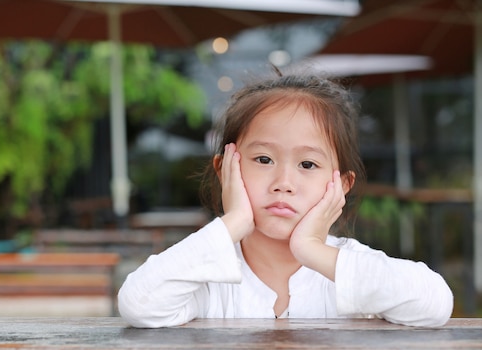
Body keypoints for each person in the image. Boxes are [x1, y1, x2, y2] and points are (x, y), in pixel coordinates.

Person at [118, 70, 453, 328]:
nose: (283, 183)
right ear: (225, 169)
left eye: (308, 164)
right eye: (263, 160)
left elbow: (434, 303)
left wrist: (310, 249)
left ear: (342, 185)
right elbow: (138, 303)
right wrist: (233, 222)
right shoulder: (207, 275)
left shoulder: (347, 266)